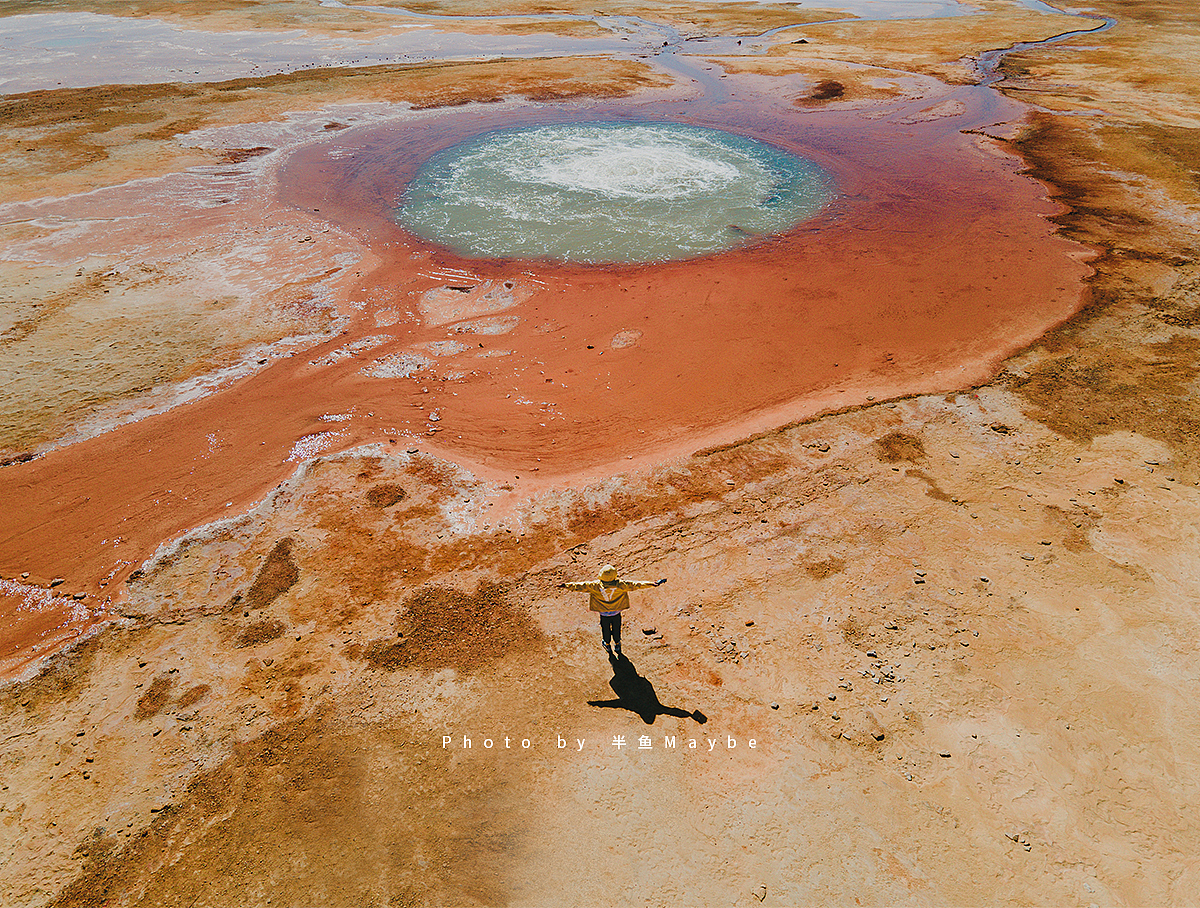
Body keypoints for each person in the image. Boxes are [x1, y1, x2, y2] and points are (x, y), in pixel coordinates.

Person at [560, 564, 666, 656]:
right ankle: (617, 644)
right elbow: (636, 585)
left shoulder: (595, 586)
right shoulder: (621, 585)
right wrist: (652, 584)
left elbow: (580, 586)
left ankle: (607, 644)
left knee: (605, 629)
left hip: (604, 614)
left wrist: (566, 585)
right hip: (616, 613)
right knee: (616, 628)